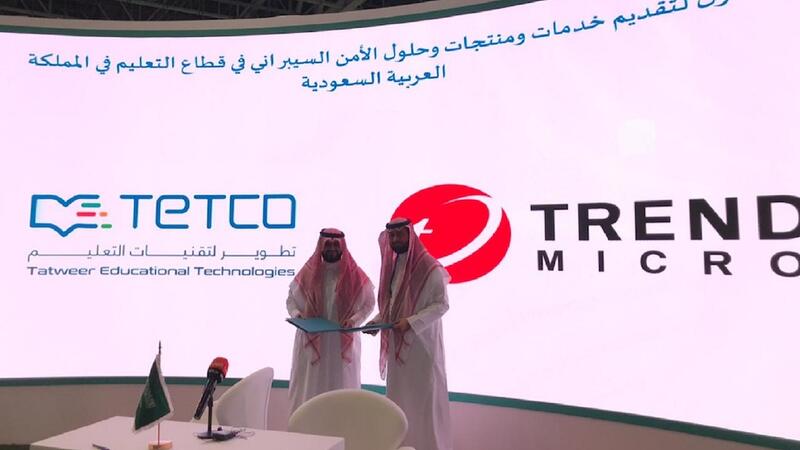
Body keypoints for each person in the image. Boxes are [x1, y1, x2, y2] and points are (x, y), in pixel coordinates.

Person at [365, 217, 453, 450]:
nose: (395, 239)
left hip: (422, 349)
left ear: (410, 235)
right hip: (398, 350)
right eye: (391, 236)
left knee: (424, 404)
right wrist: (376, 322)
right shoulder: (393, 268)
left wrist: (411, 322)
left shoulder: (429, 267)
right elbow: (392, 306)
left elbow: (441, 305)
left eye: (399, 234)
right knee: (399, 403)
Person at [286, 228, 375, 414]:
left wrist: (354, 320)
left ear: (342, 247)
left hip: (341, 343)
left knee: (341, 389)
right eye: (328, 244)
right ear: (321, 246)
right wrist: (297, 315)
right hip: (311, 343)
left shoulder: (354, 274)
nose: (332, 248)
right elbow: (291, 300)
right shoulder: (308, 272)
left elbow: (369, 303)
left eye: (336, 244)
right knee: (310, 389)